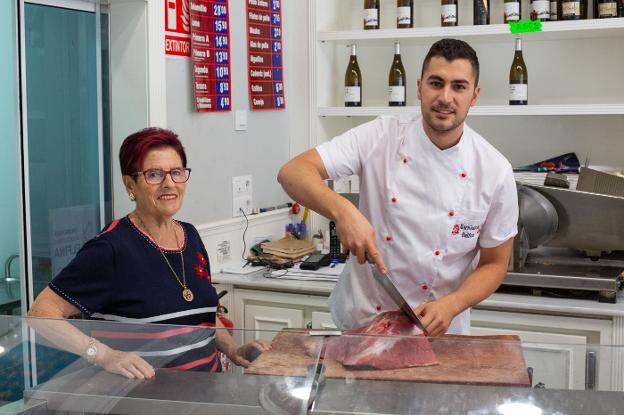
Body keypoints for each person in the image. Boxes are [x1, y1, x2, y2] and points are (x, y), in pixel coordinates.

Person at [277, 39, 518, 337]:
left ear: (474, 95)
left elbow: (495, 264)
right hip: (365, 323)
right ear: (419, 87)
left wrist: (453, 304)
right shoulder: (381, 136)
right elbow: (293, 172)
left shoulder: (494, 170)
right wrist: (343, 211)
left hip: (442, 331)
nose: (445, 97)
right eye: (436, 83)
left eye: (459, 86)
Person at [28, 127, 269, 379]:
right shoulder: (110, 248)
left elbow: (201, 315)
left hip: (203, 394)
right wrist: (103, 355)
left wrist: (232, 349)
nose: (169, 184)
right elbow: (41, 314)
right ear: (130, 184)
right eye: (154, 174)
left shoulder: (190, 236)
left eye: (176, 172)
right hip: (144, 400)